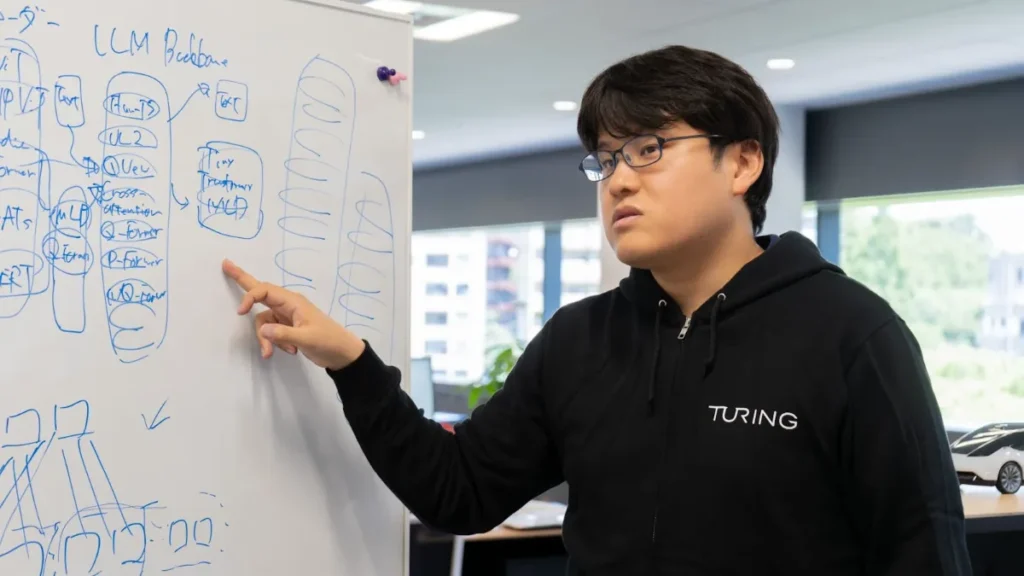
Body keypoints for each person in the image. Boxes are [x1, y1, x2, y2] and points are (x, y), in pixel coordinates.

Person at [222, 45, 971, 575]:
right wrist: (351, 362)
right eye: (605, 159)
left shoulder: (852, 335)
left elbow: (924, 552)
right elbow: (459, 491)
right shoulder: (581, 340)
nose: (618, 180)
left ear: (742, 162)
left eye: (649, 148)